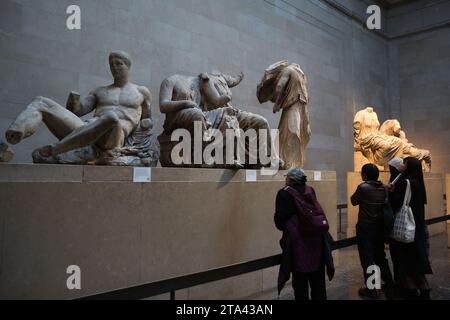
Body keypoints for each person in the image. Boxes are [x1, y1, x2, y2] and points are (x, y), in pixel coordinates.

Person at [5, 51, 152, 158]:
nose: (114, 67)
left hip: (113, 138)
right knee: (41, 101)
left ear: (128, 66)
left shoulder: (141, 91)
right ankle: (16, 132)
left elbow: (147, 122)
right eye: (111, 64)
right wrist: (73, 100)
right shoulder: (100, 91)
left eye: (118, 64)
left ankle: (56, 149)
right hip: (86, 130)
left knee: (112, 117)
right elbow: (78, 111)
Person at [275, 168, 334, 300]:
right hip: (316, 240)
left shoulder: (283, 193)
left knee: (300, 285)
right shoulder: (310, 190)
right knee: (318, 284)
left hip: (297, 243)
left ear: (290, 179)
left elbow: (279, 222)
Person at [388, 157, 433, 299]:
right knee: (417, 264)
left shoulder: (404, 183)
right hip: (417, 227)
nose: (402, 165)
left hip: (406, 228)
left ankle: (410, 291)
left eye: (404, 163)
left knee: (406, 263)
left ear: (409, 166)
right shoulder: (419, 183)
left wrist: (391, 191)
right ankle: (425, 291)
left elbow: (395, 203)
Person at [351, 164, 394, 299]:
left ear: (365, 175)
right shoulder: (383, 187)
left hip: (365, 227)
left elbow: (353, 201)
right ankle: (389, 282)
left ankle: (372, 288)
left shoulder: (363, 187)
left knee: (367, 258)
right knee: (380, 256)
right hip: (379, 226)